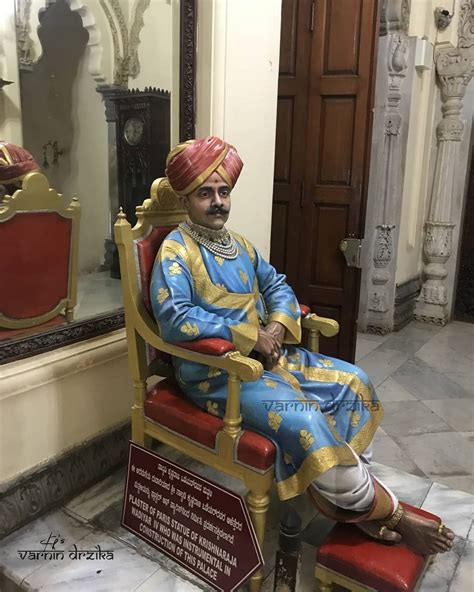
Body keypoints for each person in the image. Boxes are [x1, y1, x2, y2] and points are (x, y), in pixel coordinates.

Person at [150, 136, 454, 556]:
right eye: (205, 193)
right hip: (218, 375)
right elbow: (175, 317)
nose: (218, 201)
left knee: (355, 383)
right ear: (186, 199)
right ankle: (386, 512)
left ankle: (348, 500)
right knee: (306, 419)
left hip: (272, 356)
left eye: (223, 192)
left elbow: (276, 285)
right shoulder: (175, 252)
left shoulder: (240, 245)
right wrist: (246, 334)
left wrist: (274, 326)